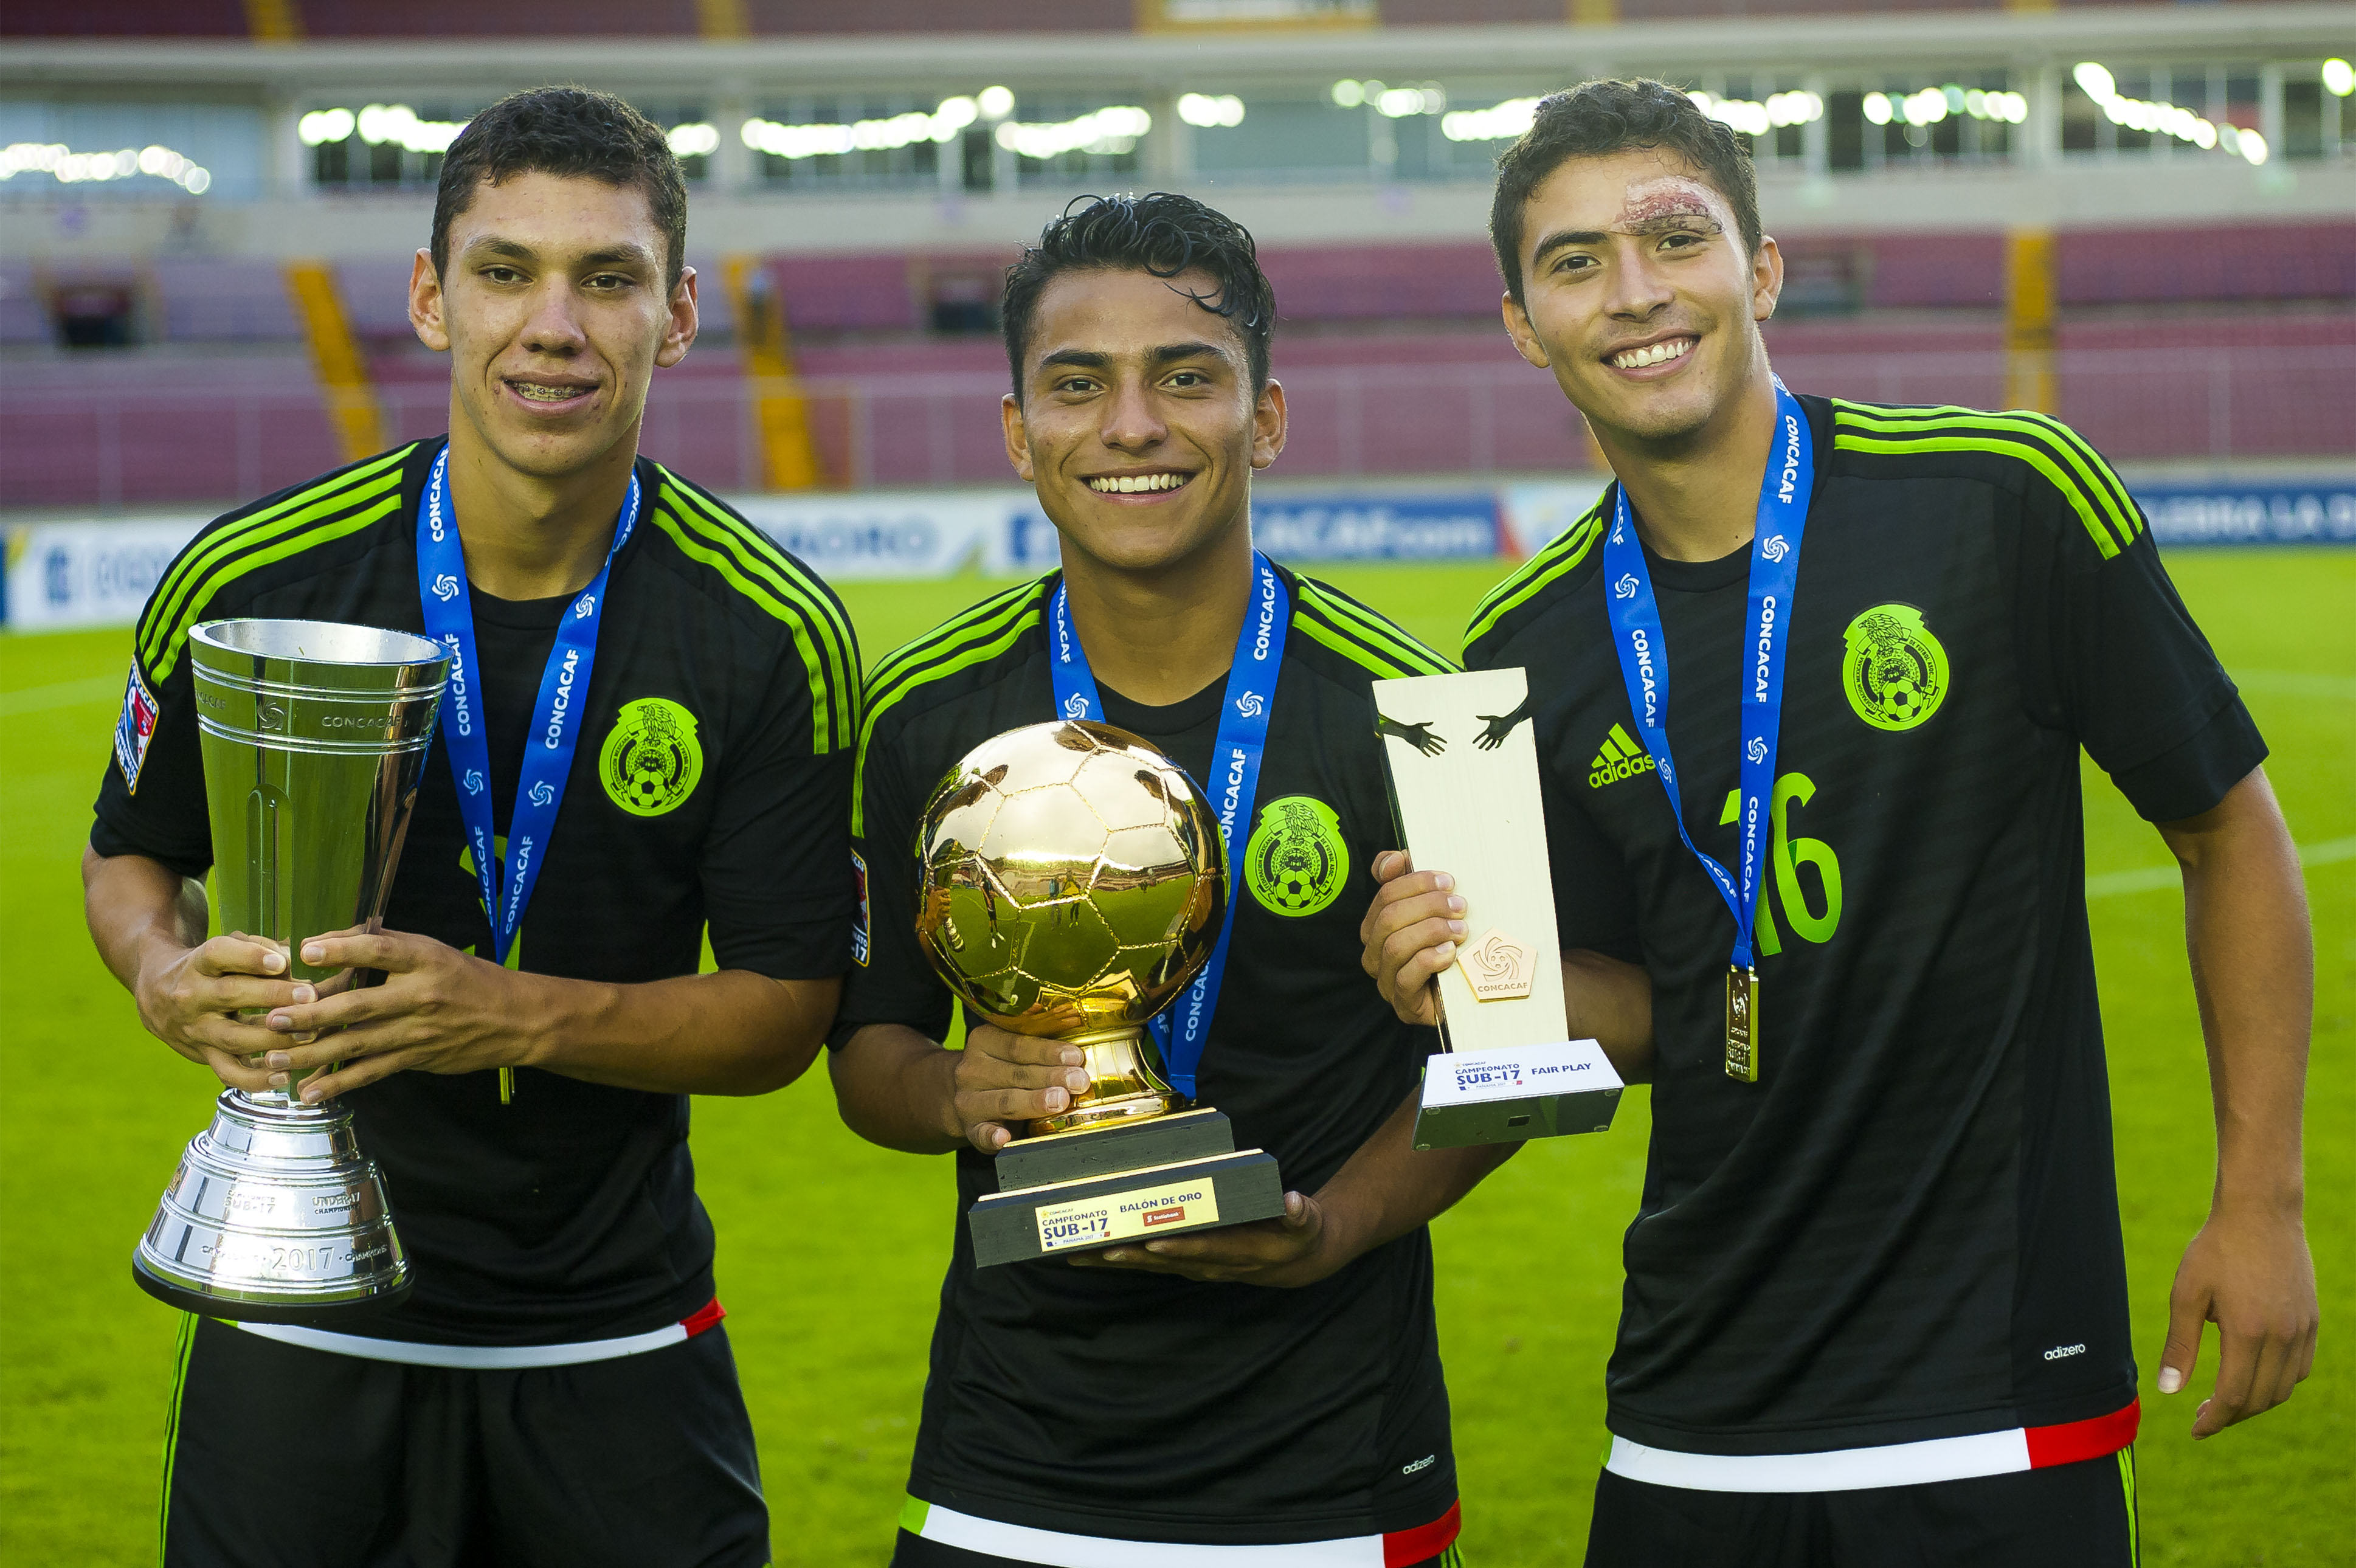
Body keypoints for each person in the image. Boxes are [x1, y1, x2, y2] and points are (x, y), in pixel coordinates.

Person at [1358, 78, 2318, 1567]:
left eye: (1676, 238)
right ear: (1520, 326)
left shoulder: (2003, 497)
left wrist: (2259, 1204)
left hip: (1999, 1389)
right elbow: (1634, 1019)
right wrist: (1461, 975)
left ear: (1763, 267)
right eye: (1573, 263)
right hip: (1690, 1412)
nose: (1634, 294)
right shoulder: (1518, 650)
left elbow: (2229, 834)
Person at [84, 86, 858, 1568]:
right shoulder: (251, 580)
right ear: (434, 299)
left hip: (616, 1329)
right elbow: (132, 852)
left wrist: (509, 1017)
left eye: (608, 278)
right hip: (293, 1308)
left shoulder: (769, 633)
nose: (554, 324)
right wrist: (157, 973)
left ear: (679, 315)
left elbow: (783, 1013)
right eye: (506, 271)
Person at [829, 192, 1480, 1568]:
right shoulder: (923, 719)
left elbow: (1513, 1065)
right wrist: (955, 1089)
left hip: (1335, 1469)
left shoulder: (1433, 712)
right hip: (1010, 1463)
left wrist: (1335, 1224)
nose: (1132, 425)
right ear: (1020, 432)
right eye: (1079, 385)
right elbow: (864, 1056)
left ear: (1267, 416)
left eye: (1186, 377)